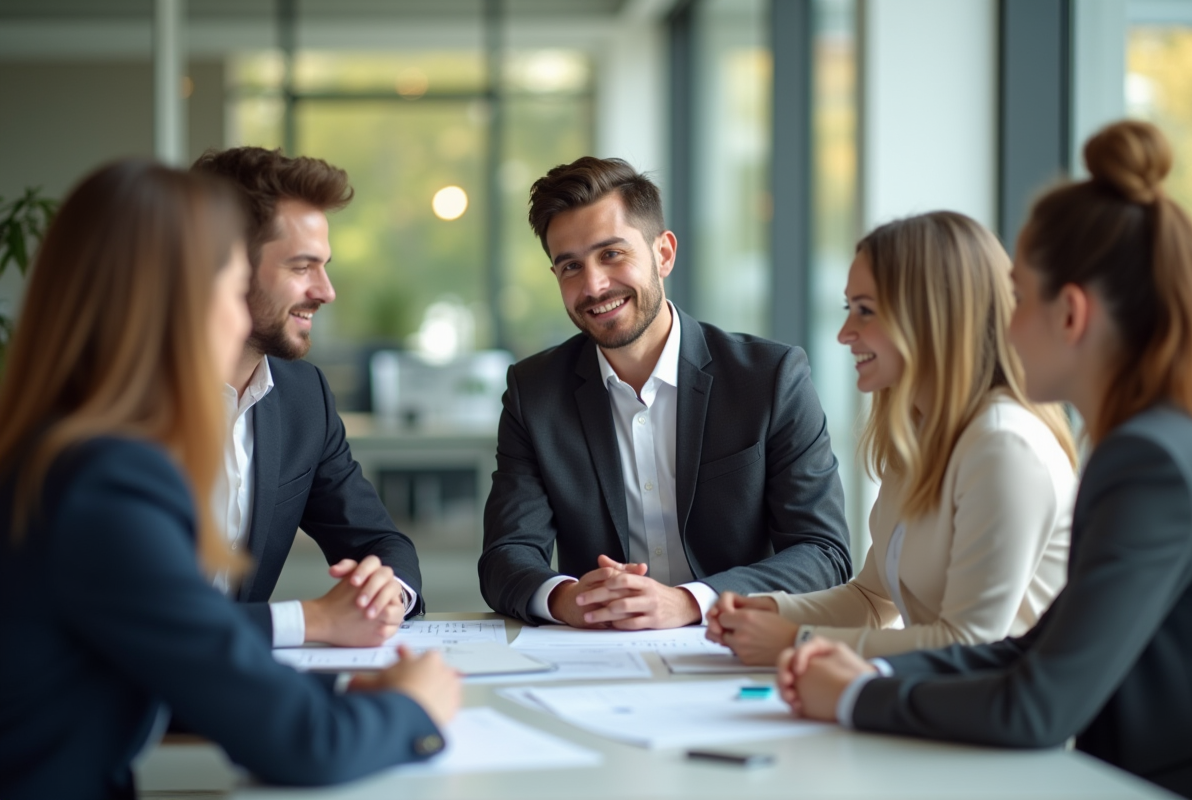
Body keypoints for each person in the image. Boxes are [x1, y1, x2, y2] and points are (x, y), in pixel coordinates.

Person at [0, 160, 460, 800]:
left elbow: (152, 660)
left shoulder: (64, 446)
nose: (325, 293)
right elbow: (303, 746)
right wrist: (415, 710)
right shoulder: (106, 479)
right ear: (177, 296)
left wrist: (337, 690)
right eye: (230, 281)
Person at [776, 120, 1192, 799]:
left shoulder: (1144, 462)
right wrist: (866, 677)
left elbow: (1038, 704)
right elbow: (1035, 651)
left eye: (1020, 299)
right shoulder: (1149, 445)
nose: (1002, 323)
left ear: (1072, 314)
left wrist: (857, 698)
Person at [478, 156, 852, 629]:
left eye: (611, 254)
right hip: (597, 657)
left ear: (664, 254)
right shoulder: (534, 394)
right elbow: (505, 556)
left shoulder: (770, 378)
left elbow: (825, 554)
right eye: (570, 266)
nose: (593, 285)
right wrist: (566, 598)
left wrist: (691, 602)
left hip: (734, 648)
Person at [705, 211, 1078, 665]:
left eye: (866, 311)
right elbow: (872, 600)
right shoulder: (921, 437)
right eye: (849, 309)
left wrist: (795, 641)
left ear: (933, 316)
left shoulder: (1004, 447)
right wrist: (772, 611)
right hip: (935, 707)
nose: (845, 334)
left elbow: (969, 643)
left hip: (998, 722)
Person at [191, 147, 421, 648]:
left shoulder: (303, 397)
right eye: (302, 267)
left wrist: (387, 590)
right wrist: (311, 620)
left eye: (325, 266)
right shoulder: (116, 405)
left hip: (227, 700)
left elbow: (379, 542)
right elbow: (142, 620)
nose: (326, 290)